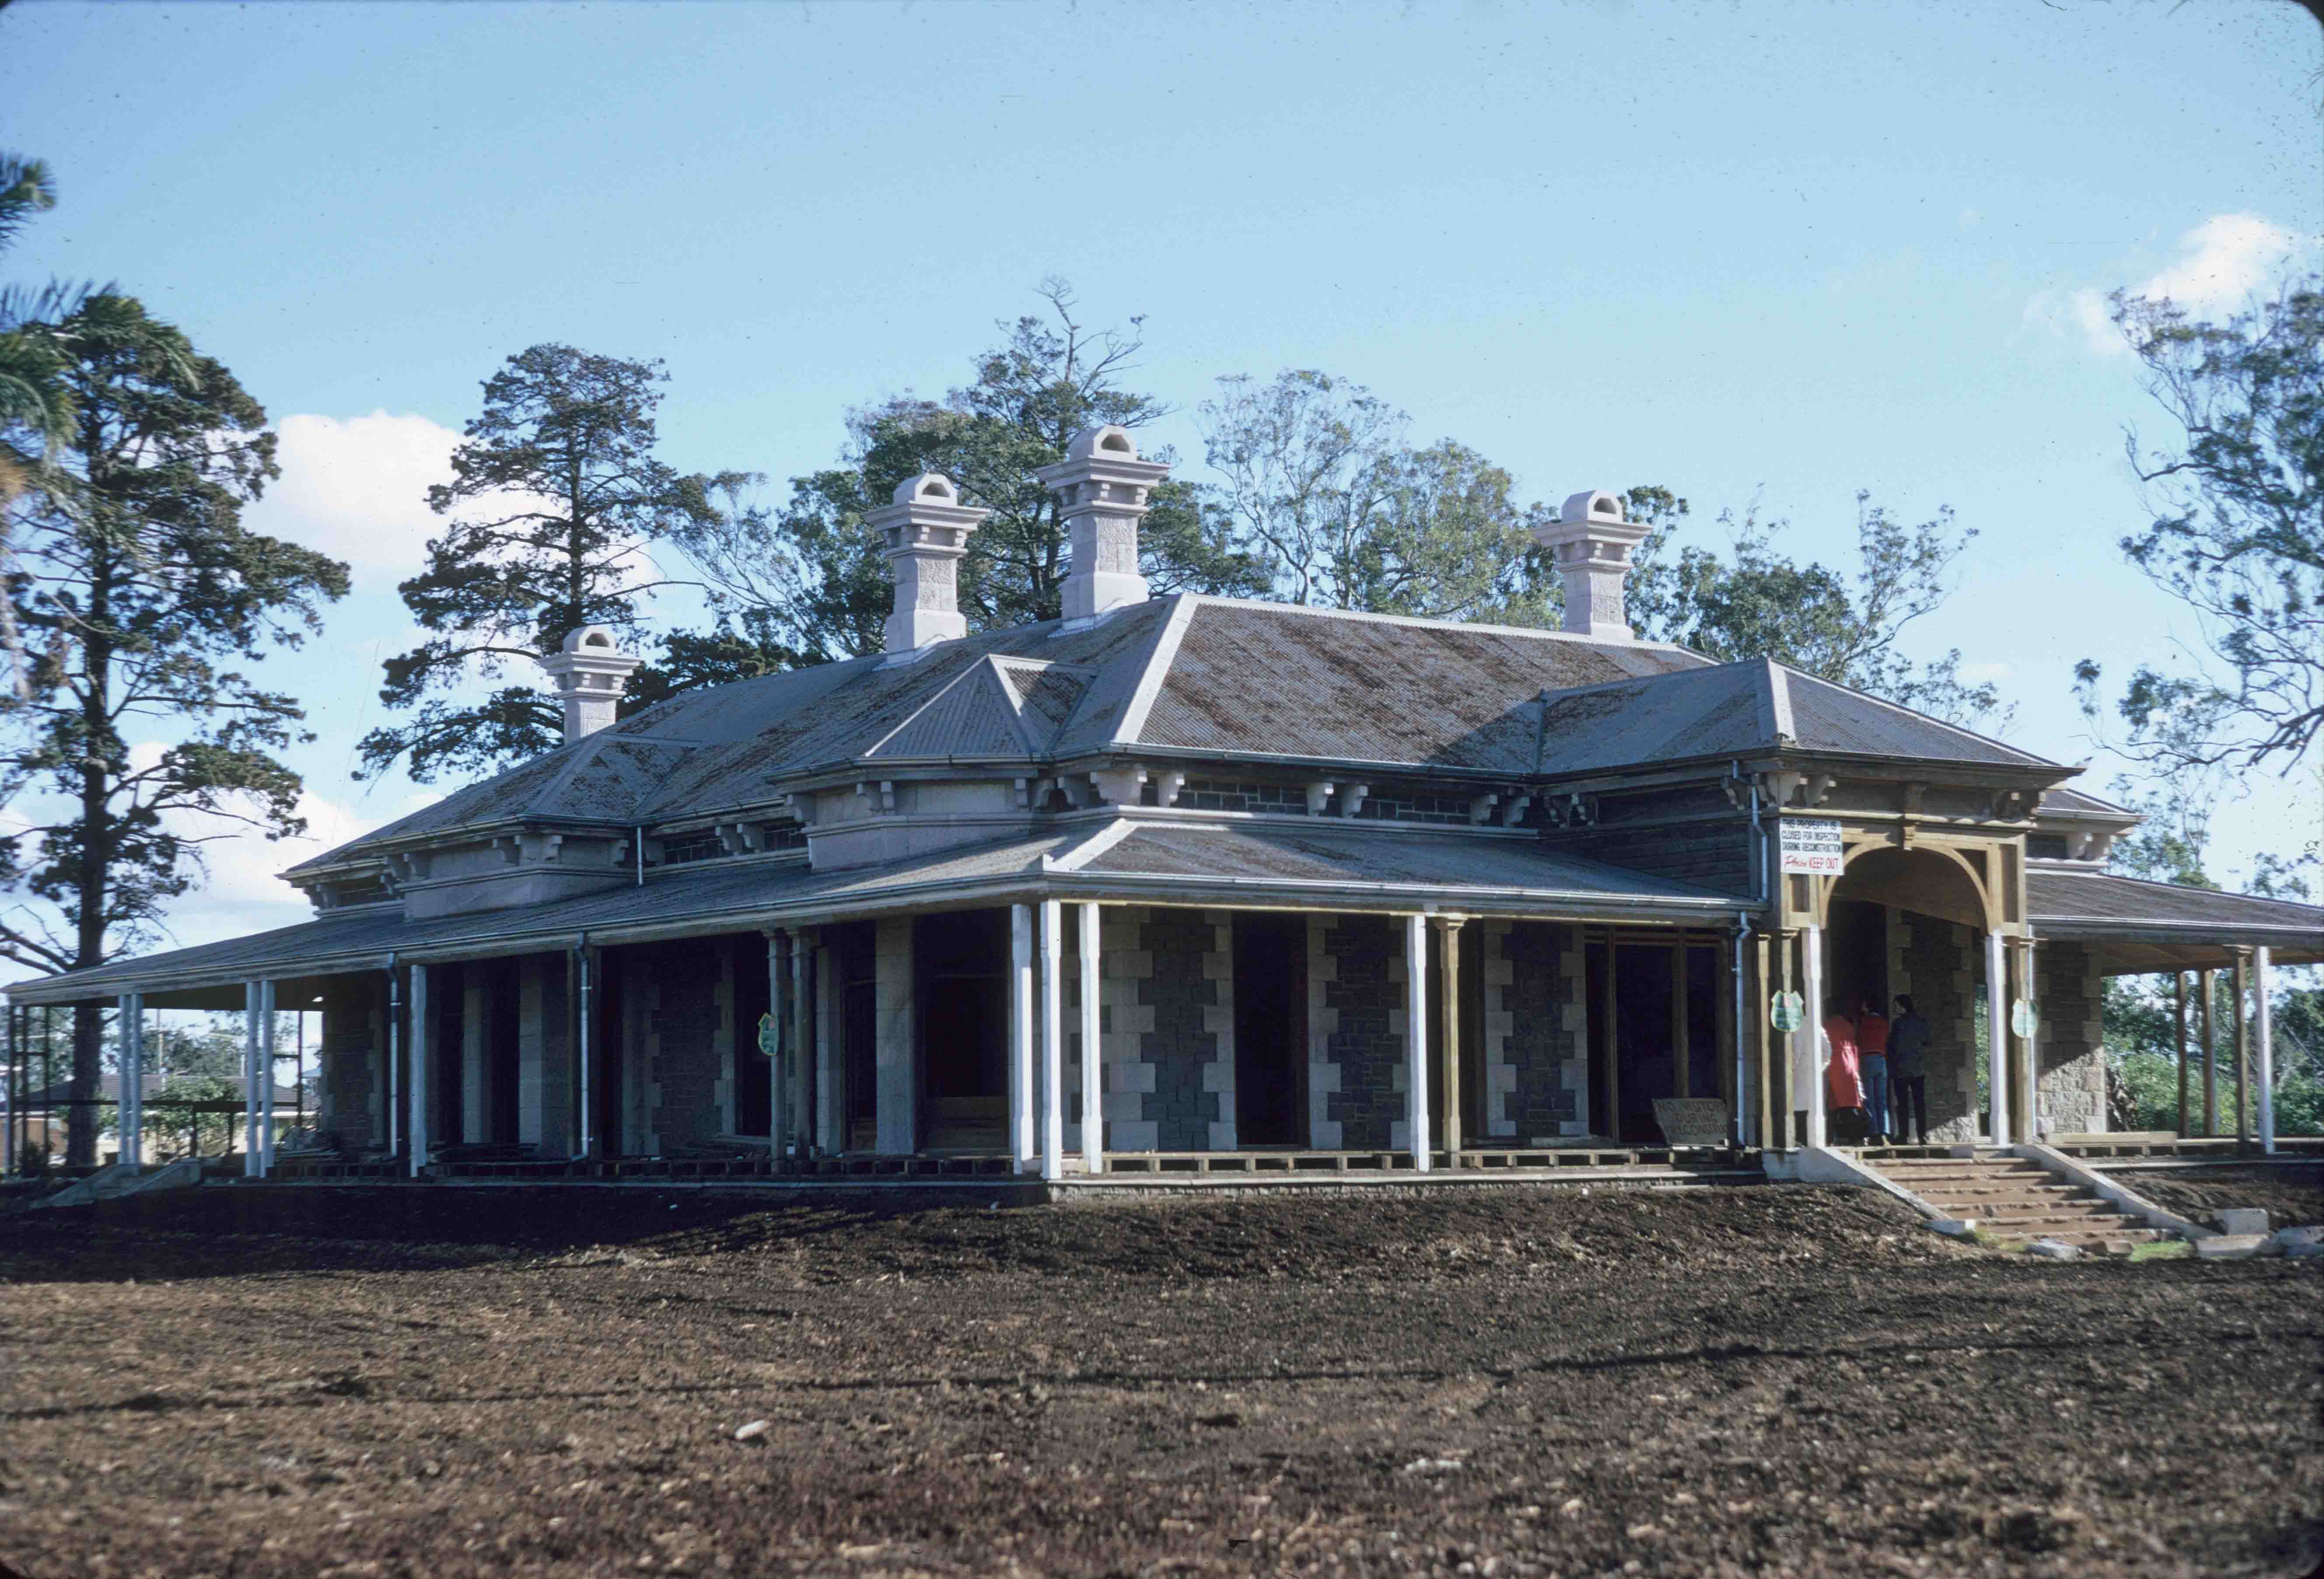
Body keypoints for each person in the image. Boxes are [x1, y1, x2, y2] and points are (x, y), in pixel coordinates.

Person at [1889, 993, 1931, 1145]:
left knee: (1903, 1105)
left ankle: (1903, 1135)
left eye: (1896, 1005)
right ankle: (1922, 1135)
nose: (1894, 1008)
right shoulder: (1921, 1022)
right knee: (1920, 1104)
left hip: (1901, 1070)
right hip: (1918, 1070)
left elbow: (1893, 1047)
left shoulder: (1898, 1024)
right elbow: (1928, 1041)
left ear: (1902, 1006)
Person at [1822, 998, 1865, 1143]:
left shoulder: (1827, 1025)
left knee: (1833, 1106)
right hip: (1850, 1064)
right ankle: (1856, 1138)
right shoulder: (1848, 1025)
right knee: (1849, 1103)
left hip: (1835, 1064)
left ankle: (1829, 1139)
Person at [1855, 996, 1891, 1144]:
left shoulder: (1862, 1023)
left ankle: (1873, 1132)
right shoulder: (1884, 1023)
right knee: (1882, 1100)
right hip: (1881, 1061)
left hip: (1867, 1059)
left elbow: (1857, 1039)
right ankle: (1885, 1132)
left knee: (1869, 1098)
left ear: (1868, 1007)